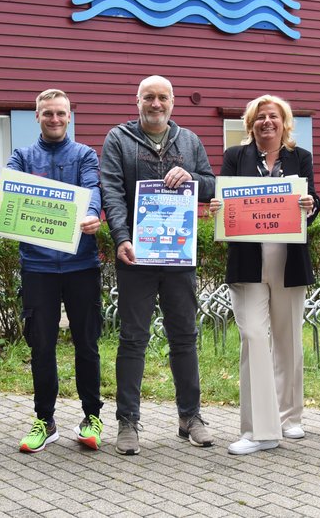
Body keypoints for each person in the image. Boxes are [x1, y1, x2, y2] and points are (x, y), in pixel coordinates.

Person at [0, 89, 105, 453]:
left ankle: (91, 417)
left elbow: (92, 188)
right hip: (38, 266)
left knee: (87, 344)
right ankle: (44, 421)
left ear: (69, 116)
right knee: (42, 346)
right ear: (37, 116)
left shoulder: (84, 154)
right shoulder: (22, 156)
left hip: (81, 264)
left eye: (60, 113)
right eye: (47, 113)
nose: (54, 119)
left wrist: (92, 214)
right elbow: (5, 184)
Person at [99, 75, 217, 456]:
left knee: (184, 336)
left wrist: (192, 177)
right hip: (137, 256)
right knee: (133, 338)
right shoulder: (118, 139)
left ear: (172, 102)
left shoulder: (190, 141)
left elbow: (211, 185)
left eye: (162, 97)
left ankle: (190, 417)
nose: (156, 104)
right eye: (148, 97)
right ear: (137, 101)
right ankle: (127, 421)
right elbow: (111, 190)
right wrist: (121, 237)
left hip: (179, 256)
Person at [209, 95, 319, 455]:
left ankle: (289, 416)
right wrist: (218, 207)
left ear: (284, 122)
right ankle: (259, 430)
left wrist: (310, 205)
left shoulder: (300, 157)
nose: (266, 122)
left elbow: (313, 203)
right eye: (259, 117)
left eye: (273, 116)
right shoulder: (235, 156)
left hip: (289, 260)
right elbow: (226, 203)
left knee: (288, 340)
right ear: (250, 124)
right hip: (248, 262)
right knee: (254, 337)